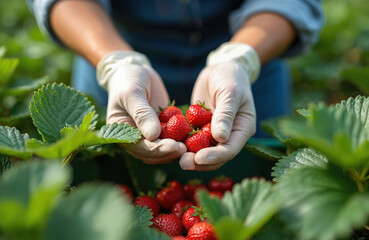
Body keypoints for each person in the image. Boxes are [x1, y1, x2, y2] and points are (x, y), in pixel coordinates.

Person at [27, 0, 323, 171]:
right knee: (106, 185)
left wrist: (241, 59)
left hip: (253, 56)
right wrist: (115, 62)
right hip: (109, 44)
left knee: (258, 178)